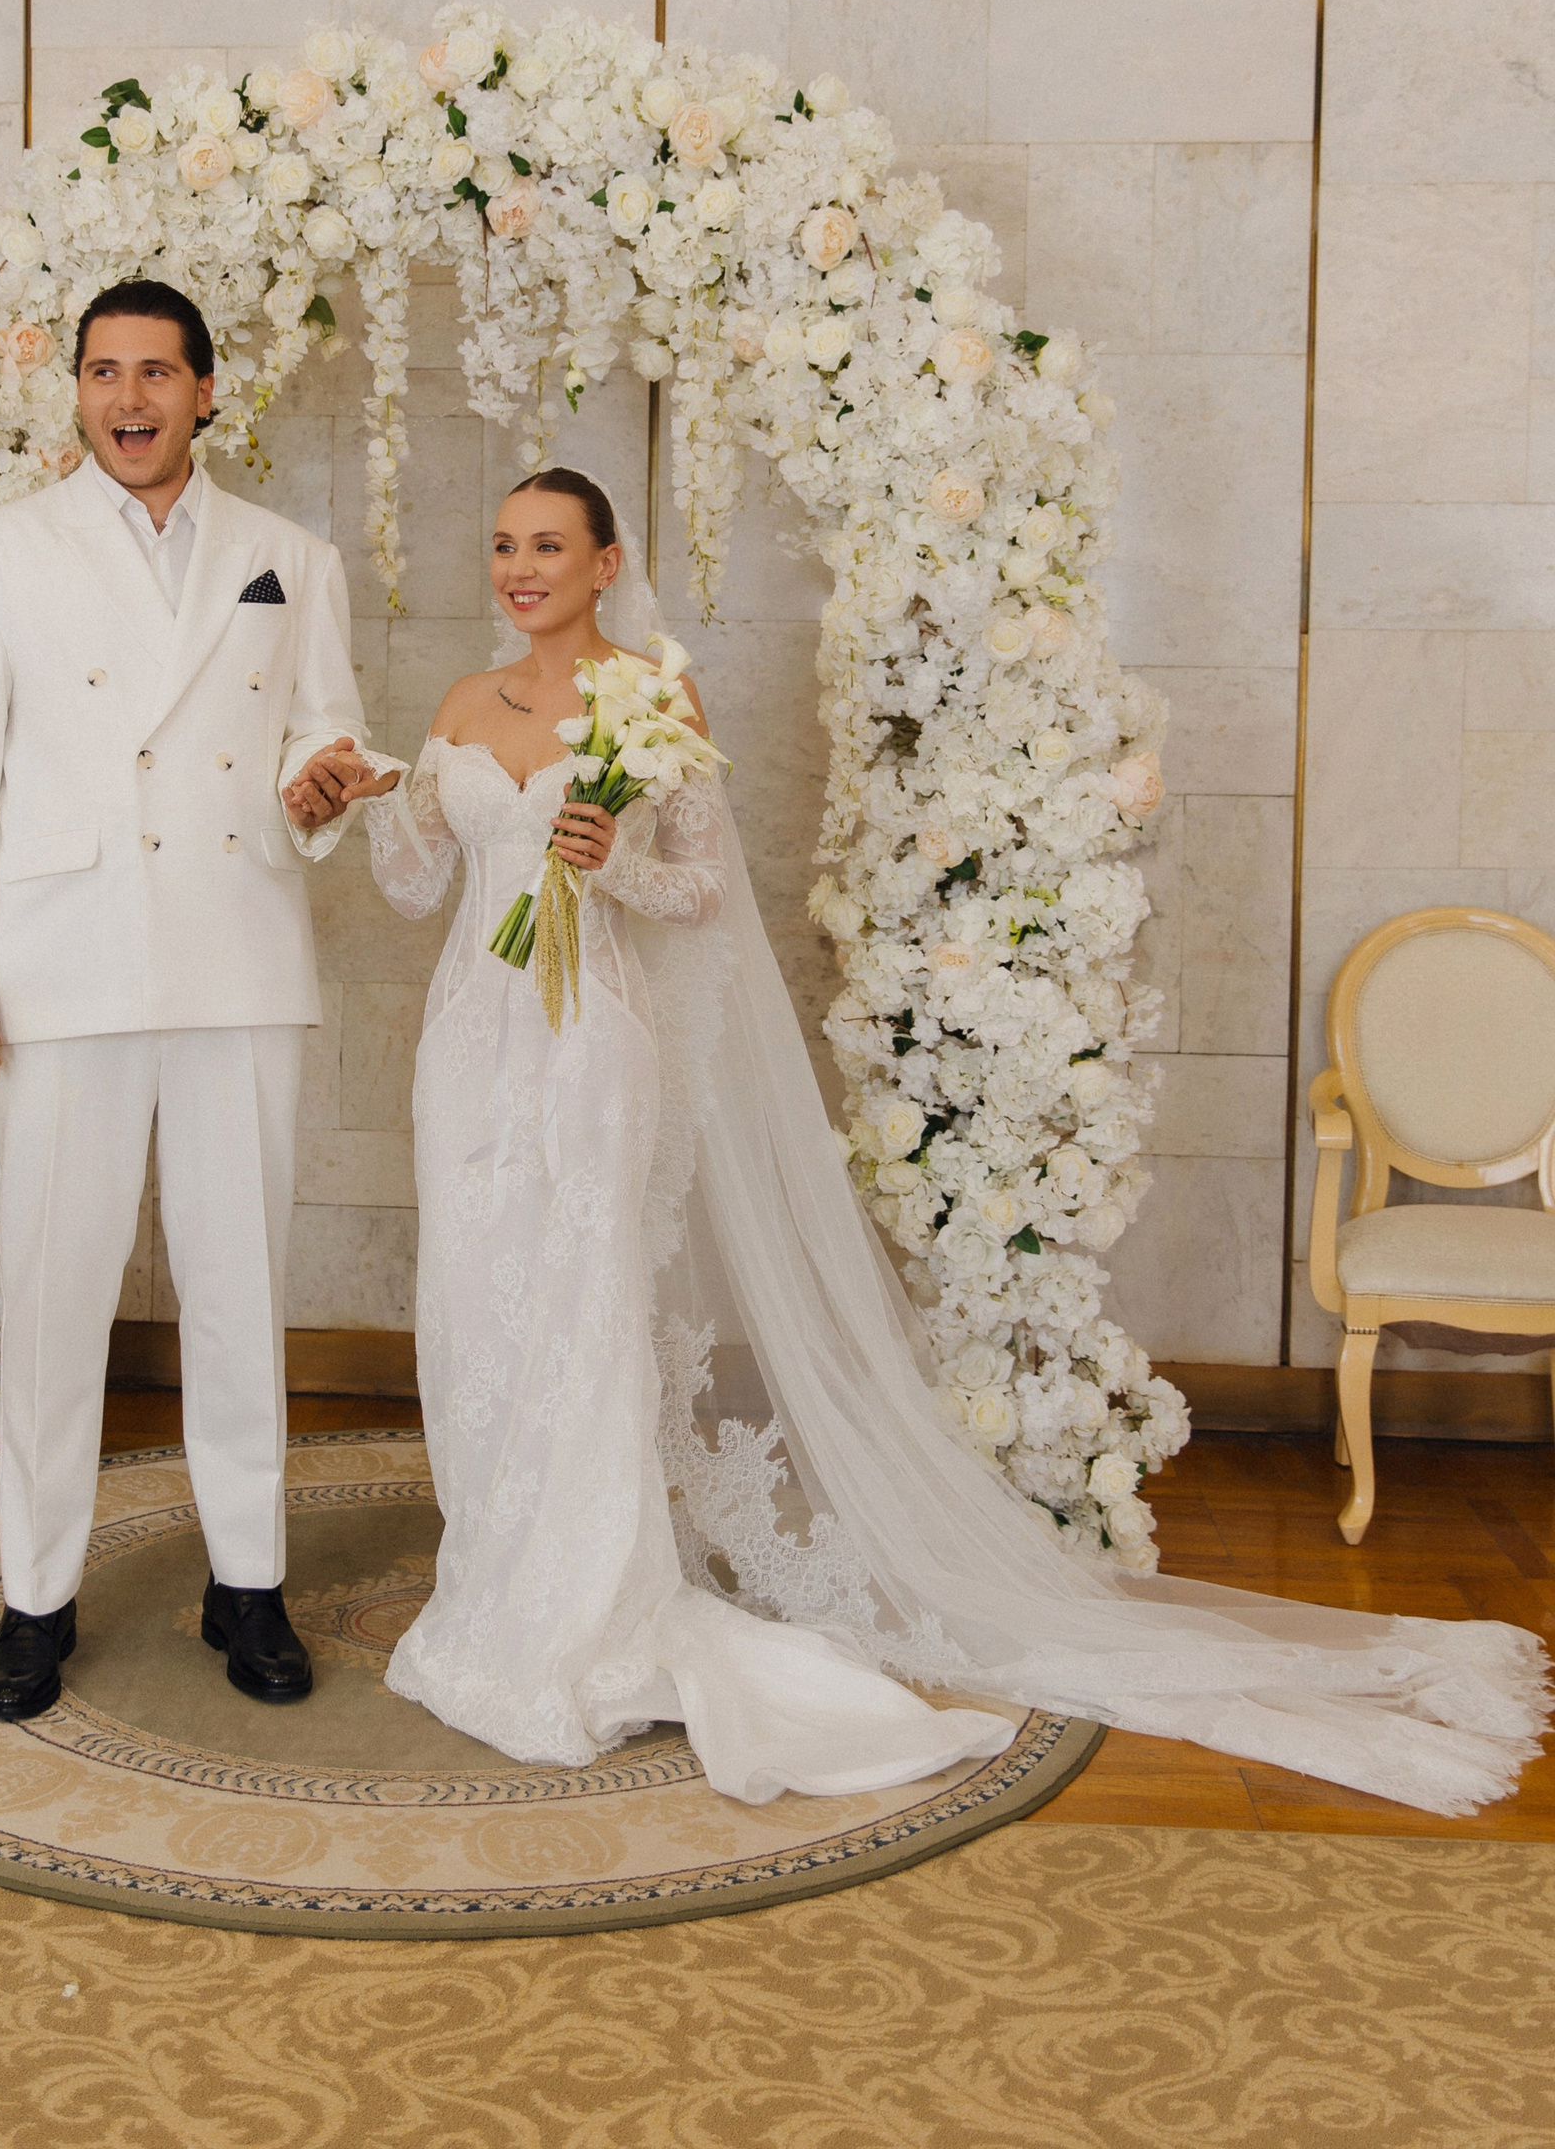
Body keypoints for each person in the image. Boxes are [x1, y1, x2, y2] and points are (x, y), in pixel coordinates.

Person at [338, 467, 1550, 1813]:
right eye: (504, 544)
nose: (519, 568)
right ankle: (490, 1582)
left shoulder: (652, 701)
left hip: (590, 1048)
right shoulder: (461, 704)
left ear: (605, 561)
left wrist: (610, 863)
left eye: (548, 546)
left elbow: (701, 895)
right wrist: (380, 804)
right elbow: (415, 886)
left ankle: (581, 1608)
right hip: (468, 1046)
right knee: (475, 1310)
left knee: (580, 1309)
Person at [0, 278, 396, 1722]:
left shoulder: (290, 558)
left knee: (241, 1289)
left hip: (236, 954)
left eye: (158, 373)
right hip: (61, 961)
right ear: (76, 391)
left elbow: (325, 730)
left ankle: (249, 1581)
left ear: (204, 392)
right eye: (105, 372)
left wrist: (321, 785)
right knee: (53, 1297)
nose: (130, 398)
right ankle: (37, 1597)